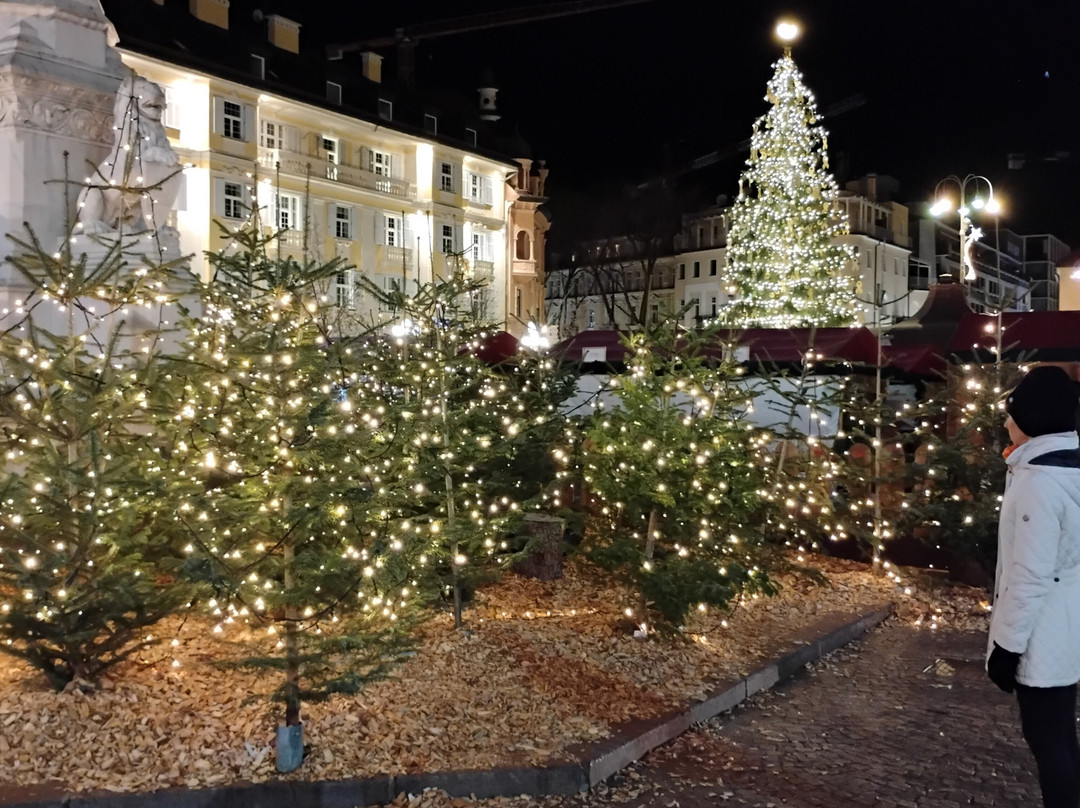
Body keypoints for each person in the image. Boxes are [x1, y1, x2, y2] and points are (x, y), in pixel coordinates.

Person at [987, 364, 1080, 808]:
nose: (1007, 422)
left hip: (1042, 636)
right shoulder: (1069, 470)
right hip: (1069, 627)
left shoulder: (1038, 484)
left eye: (1012, 413)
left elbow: (1029, 574)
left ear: (1033, 418)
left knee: (1049, 743)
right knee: (1062, 736)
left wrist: (1006, 648)